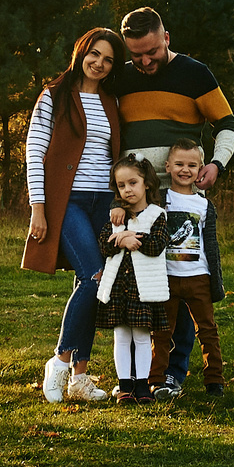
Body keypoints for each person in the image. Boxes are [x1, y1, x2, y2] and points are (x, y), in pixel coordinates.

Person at [110, 8, 234, 395]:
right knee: (146, 289)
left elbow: (227, 125)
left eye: (151, 51)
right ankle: (142, 370)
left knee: (180, 284)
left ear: (166, 37)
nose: (145, 62)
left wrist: (217, 163)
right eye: (136, 55)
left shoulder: (194, 73)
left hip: (182, 200)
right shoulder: (121, 77)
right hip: (138, 203)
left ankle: (172, 374)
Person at [24, 27, 128, 404]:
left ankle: (80, 378)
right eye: (95, 54)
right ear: (82, 52)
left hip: (104, 202)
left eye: (109, 60)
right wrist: (39, 207)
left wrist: (120, 199)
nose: (99, 64)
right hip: (66, 201)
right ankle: (60, 360)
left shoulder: (112, 102)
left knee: (94, 283)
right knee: (95, 276)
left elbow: (116, 156)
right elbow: (35, 152)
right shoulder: (54, 96)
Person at [96, 155, 175, 403]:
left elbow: (156, 246)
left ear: (146, 184)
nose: (127, 189)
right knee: (121, 337)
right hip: (119, 288)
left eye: (133, 183)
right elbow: (104, 246)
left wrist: (129, 237)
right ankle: (124, 386)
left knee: (141, 337)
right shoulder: (116, 216)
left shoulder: (156, 215)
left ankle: (142, 386)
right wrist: (121, 238)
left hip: (144, 290)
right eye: (121, 185)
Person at [159, 140, 226, 396]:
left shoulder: (205, 206)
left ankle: (214, 380)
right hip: (168, 277)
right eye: (179, 164)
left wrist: (214, 280)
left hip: (199, 277)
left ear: (200, 169)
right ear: (168, 167)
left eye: (191, 165)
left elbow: (212, 245)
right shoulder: (160, 200)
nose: (185, 170)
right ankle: (158, 379)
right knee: (164, 330)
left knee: (207, 329)